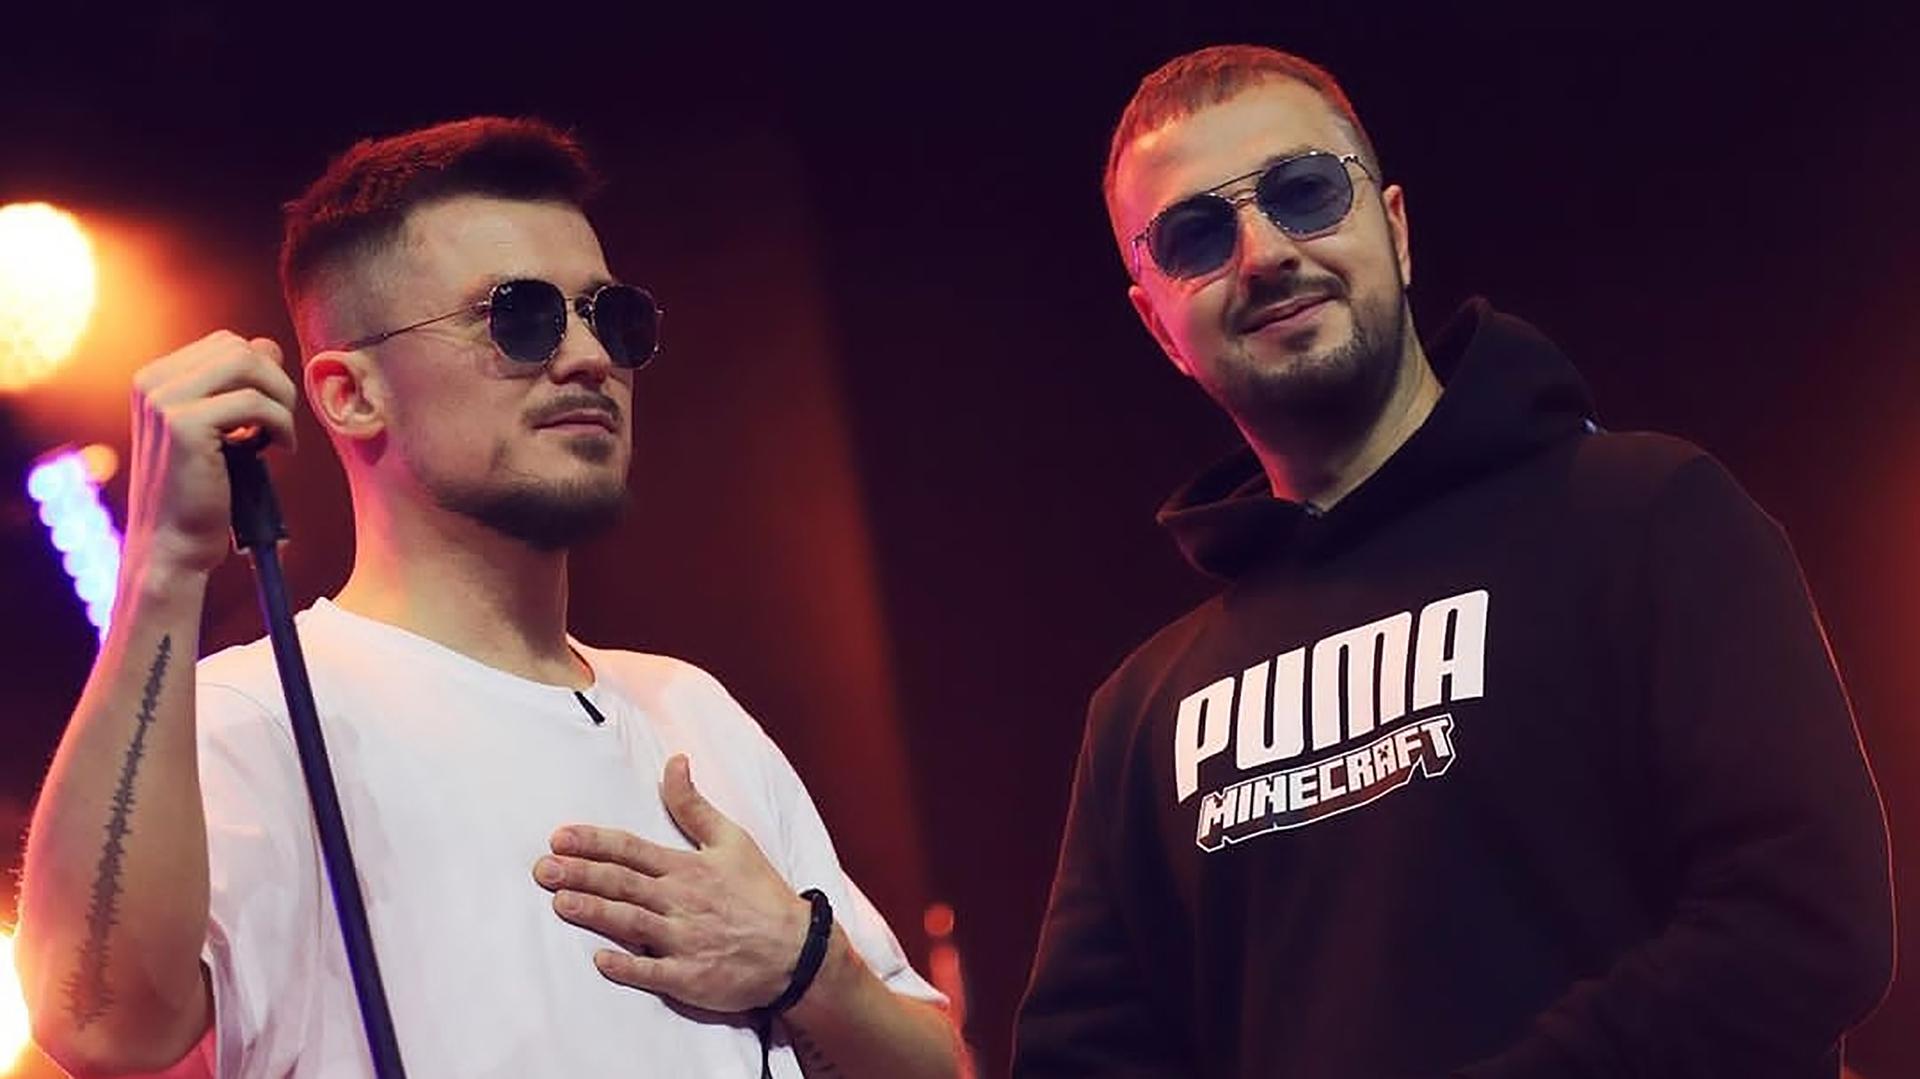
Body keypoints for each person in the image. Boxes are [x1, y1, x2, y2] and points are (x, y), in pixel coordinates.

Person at [16, 116, 966, 1079]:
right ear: (350, 393)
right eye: (520, 316)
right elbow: (94, 1023)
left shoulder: (692, 708)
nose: (590, 356)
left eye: (609, 315)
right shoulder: (254, 715)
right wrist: (163, 568)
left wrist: (806, 963)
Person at [1014, 45, 1893, 1078]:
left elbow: (1803, 920)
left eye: (1305, 192)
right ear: (1157, 323)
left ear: (1394, 228)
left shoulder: (1646, 515)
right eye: (1196, 235)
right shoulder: (1140, 716)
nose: (1263, 254)